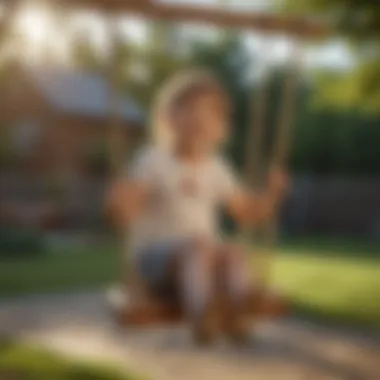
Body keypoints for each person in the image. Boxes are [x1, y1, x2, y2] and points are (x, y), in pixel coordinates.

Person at [107, 70, 289, 344]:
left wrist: (272, 195)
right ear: (168, 118)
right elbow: (126, 213)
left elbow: (247, 213)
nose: (201, 118)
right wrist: (120, 203)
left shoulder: (217, 167)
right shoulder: (153, 160)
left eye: (211, 113)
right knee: (199, 245)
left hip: (201, 263)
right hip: (155, 263)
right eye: (191, 110)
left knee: (232, 250)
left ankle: (236, 312)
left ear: (221, 128)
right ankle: (201, 315)